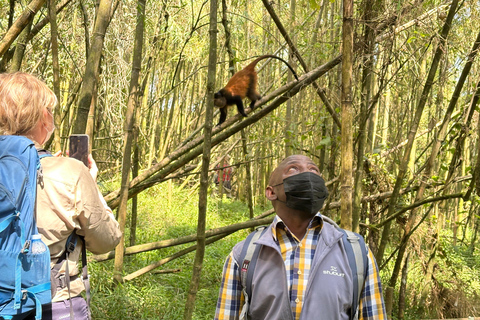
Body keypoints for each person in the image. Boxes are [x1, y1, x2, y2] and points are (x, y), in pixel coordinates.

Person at [0, 72, 122, 320]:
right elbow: (106, 240)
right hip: (52, 304)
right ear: (43, 117)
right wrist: (90, 184)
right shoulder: (70, 172)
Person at [214, 154, 387, 320]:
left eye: (314, 170)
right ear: (271, 192)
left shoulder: (356, 253)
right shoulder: (244, 255)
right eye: (293, 169)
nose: (307, 174)